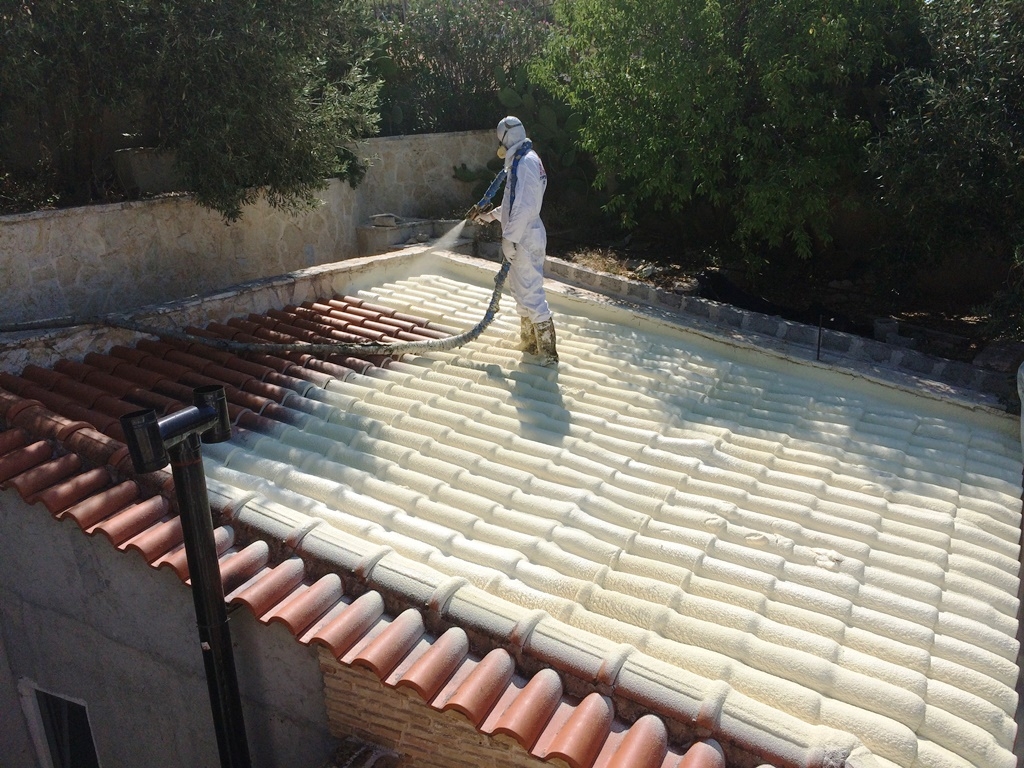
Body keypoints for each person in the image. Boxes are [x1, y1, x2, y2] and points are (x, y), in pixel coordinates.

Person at [472, 116, 558, 365]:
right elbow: (514, 202)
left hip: (525, 237)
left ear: (506, 138)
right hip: (523, 234)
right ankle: (530, 345)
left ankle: (549, 356)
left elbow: (525, 206)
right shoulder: (522, 161)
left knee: (531, 294)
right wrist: (491, 216)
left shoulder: (526, 163)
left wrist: (509, 238)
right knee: (521, 293)